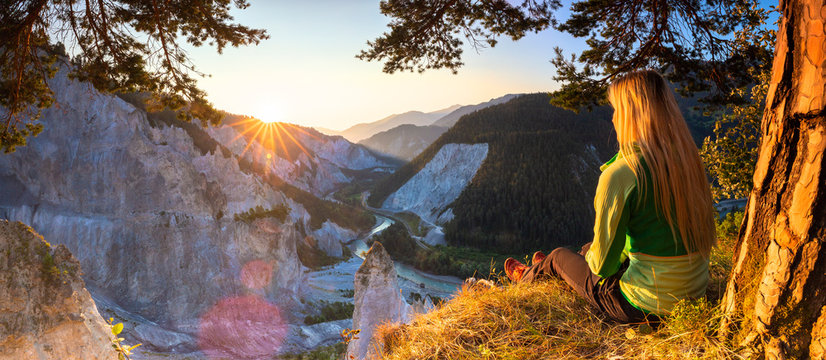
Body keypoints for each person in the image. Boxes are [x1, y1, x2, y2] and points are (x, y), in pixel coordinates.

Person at [503, 70, 716, 324]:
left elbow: (603, 268)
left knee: (560, 256)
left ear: (629, 115)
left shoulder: (622, 174)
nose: (613, 118)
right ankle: (544, 267)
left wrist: (593, 254)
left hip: (644, 307)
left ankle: (531, 274)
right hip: (693, 293)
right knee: (585, 250)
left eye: (616, 110)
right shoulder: (687, 160)